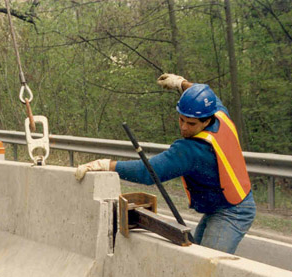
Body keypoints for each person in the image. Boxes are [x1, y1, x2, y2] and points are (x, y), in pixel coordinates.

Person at [75, 73, 256, 254]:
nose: (184, 127)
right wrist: (180, 83)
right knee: (196, 258)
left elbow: (147, 173)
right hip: (223, 204)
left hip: (232, 212)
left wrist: (106, 165)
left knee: (210, 266)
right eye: (181, 119)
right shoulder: (219, 114)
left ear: (206, 120)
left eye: (191, 123)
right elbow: (204, 93)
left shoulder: (193, 150)